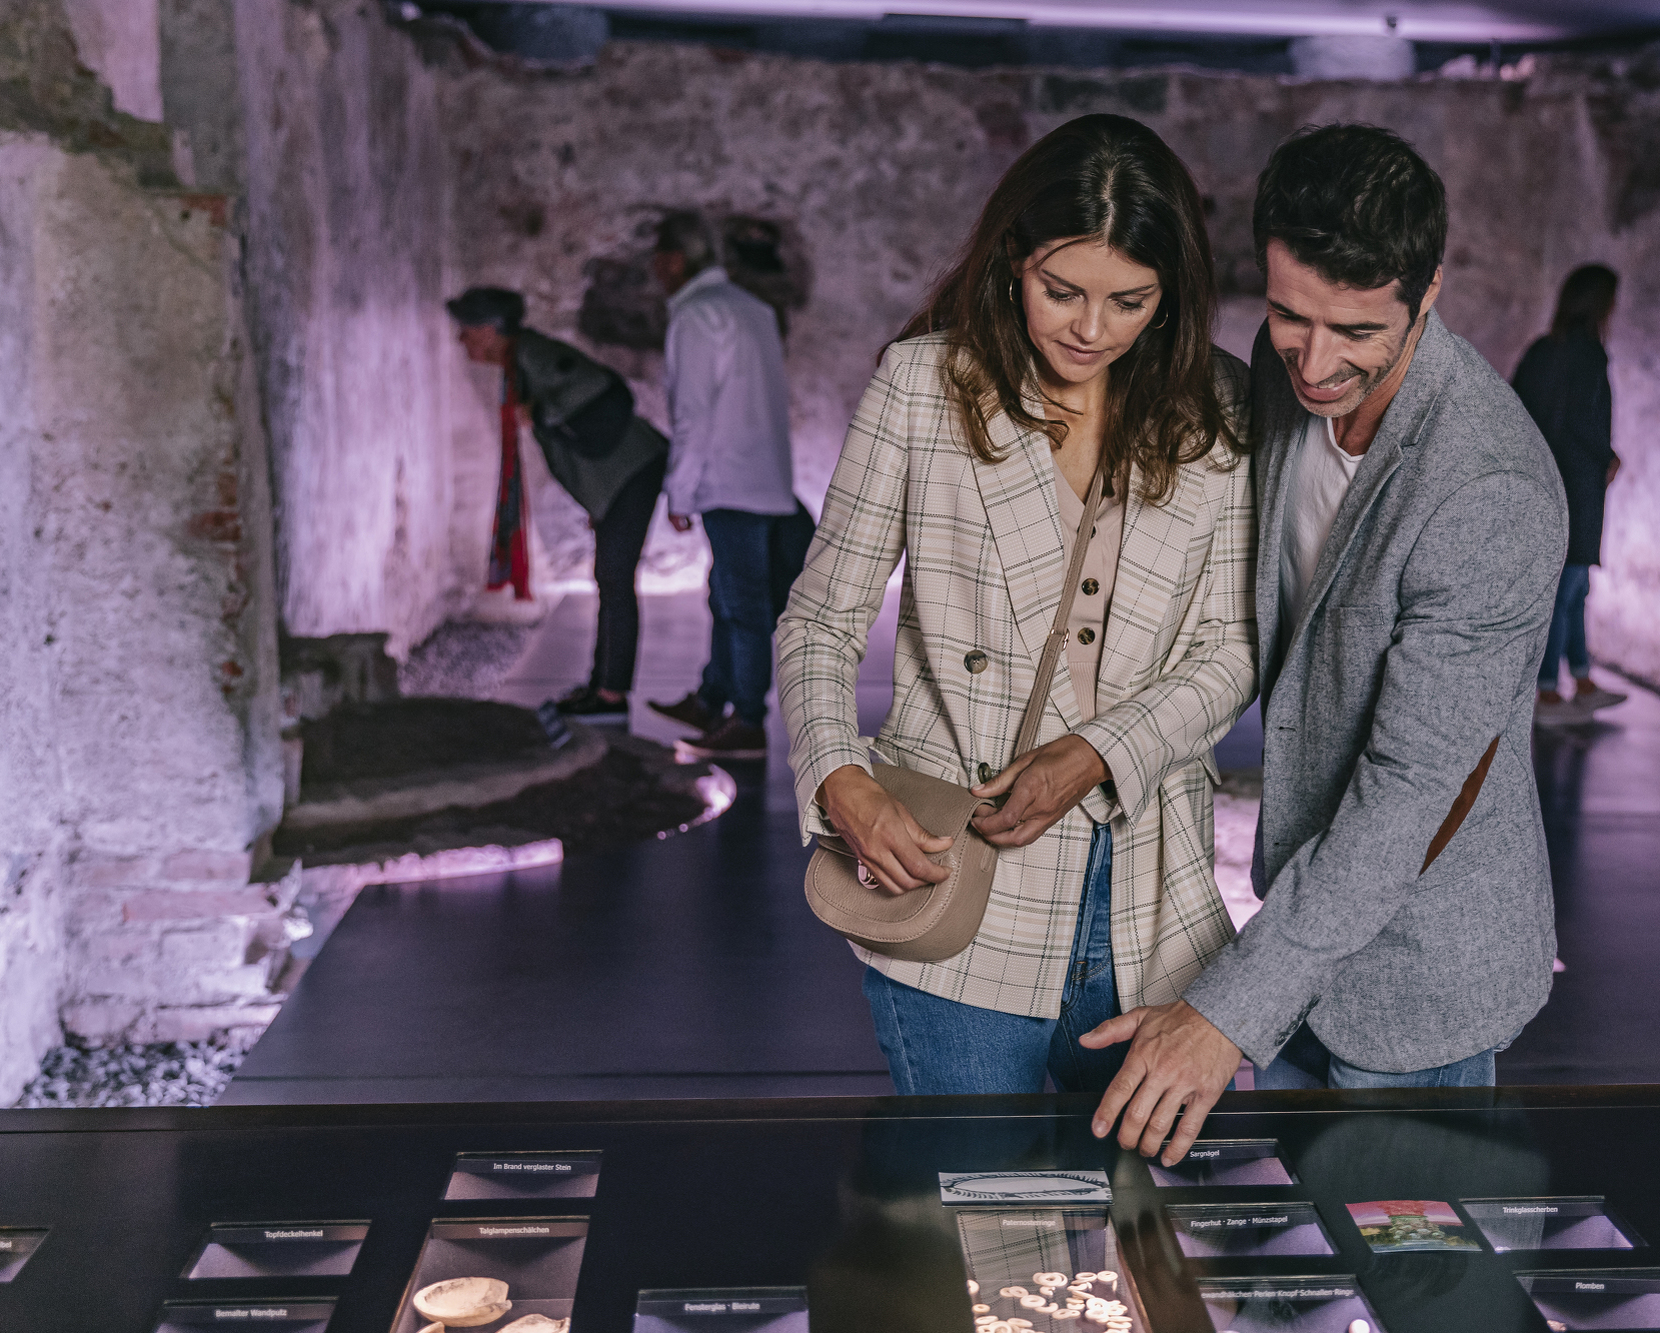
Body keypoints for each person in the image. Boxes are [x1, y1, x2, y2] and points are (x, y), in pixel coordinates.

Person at [1084, 124, 1566, 1164]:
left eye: (1354, 329)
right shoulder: (1280, 364)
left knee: (1425, 1299)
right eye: (1288, 314)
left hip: (1420, 976)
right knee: (1306, 1281)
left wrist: (1224, 1013)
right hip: (1295, 920)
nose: (1312, 358)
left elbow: (1407, 795)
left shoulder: (1486, 492)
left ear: (1427, 292)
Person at [776, 114, 1255, 1099]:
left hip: (1151, 903)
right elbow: (820, 619)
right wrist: (840, 778)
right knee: (983, 1231)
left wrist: (1092, 754)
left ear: (1171, 297)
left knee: (1149, 1235)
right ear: (1010, 263)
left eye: (1128, 301)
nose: (1088, 329)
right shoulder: (921, 388)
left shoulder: (1219, 407)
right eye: (1060, 290)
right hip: (958, 890)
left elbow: (1233, 645)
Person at [449, 287, 669, 718]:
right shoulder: (523, 359)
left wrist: (540, 412)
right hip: (621, 479)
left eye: (468, 330)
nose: (463, 341)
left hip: (630, 473)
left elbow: (601, 389)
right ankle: (603, 687)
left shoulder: (533, 354)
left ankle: (610, 695)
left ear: (492, 331)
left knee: (614, 580)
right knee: (610, 579)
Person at [648, 212, 816, 760]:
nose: (655, 269)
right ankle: (713, 698)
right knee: (726, 597)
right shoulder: (755, 310)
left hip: (728, 480)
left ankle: (747, 721)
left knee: (741, 606)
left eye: (659, 257)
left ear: (675, 259)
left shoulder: (697, 316)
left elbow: (693, 412)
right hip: (765, 477)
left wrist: (680, 489)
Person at [1513, 265, 1629, 726]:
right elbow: (1586, 421)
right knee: (1565, 591)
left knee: (1574, 587)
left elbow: (1516, 409)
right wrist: (1607, 457)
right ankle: (1546, 695)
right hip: (1576, 486)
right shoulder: (1588, 354)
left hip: (1542, 483)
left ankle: (1580, 681)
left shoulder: (1543, 350)